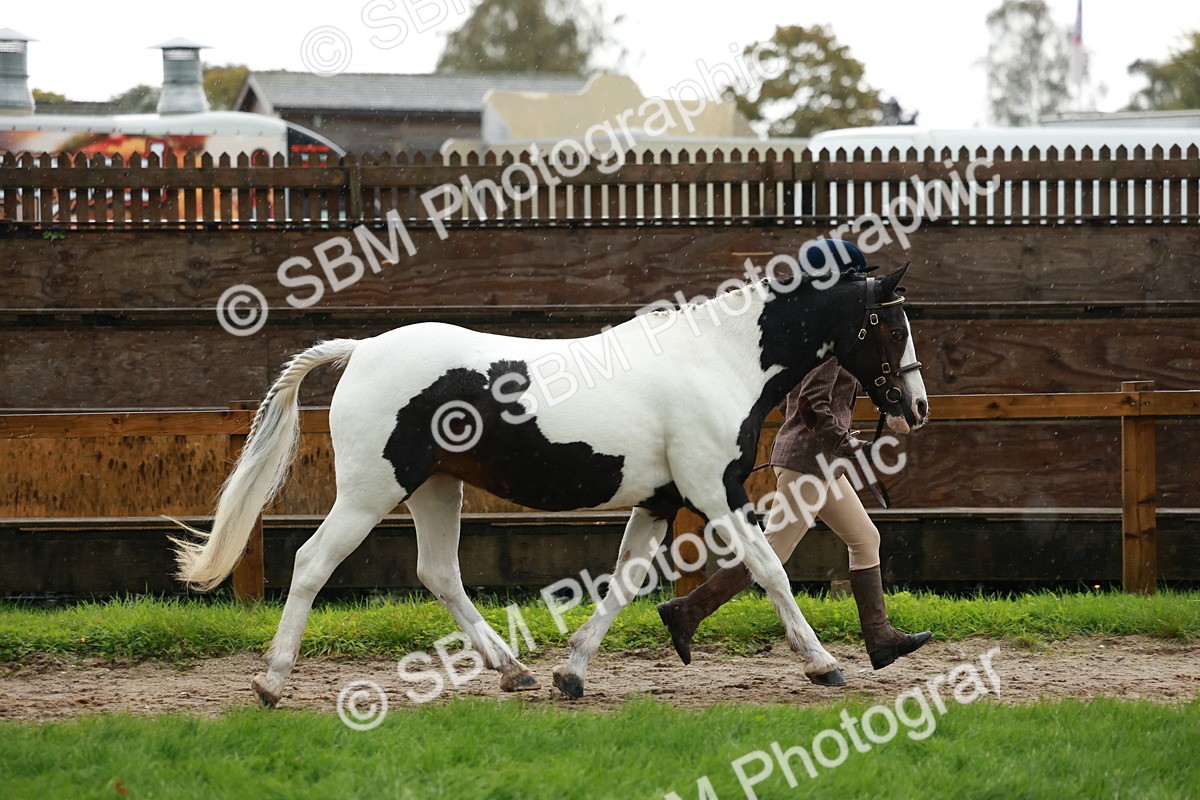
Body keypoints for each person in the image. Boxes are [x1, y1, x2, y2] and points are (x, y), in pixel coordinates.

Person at [657, 240, 931, 672]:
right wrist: (847, 444)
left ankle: (880, 638)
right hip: (809, 462)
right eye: (855, 279)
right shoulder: (838, 336)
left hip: (818, 460)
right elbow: (813, 405)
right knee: (772, 554)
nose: (861, 287)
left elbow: (792, 399)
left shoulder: (833, 332)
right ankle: (687, 610)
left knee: (865, 539)